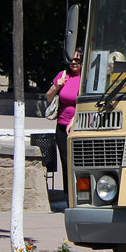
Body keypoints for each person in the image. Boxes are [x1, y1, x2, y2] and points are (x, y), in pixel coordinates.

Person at [46, 48, 82, 199]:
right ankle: (68, 196)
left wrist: (74, 120)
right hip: (61, 125)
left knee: (77, 161)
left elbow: (84, 102)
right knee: (65, 162)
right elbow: (48, 97)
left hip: (79, 125)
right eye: (71, 60)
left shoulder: (85, 77)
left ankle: (78, 194)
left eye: (77, 60)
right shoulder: (63, 75)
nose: (73, 63)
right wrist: (56, 86)